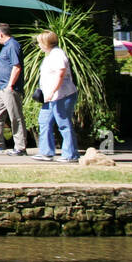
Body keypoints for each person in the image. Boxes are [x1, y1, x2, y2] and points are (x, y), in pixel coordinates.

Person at [32, 30, 78, 163]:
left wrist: (52, 92)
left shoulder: (58, 55)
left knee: (63, 123)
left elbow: (60, 74)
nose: (39, 45)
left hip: (62, 95)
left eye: (40, 42)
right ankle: (46, 152)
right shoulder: (50, 54)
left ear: (46, 42)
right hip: (50, 97)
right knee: (44, 121)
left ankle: (71, 154)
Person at [0, 22, 26, 154]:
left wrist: (10, 85)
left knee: (15, 117)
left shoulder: (12, 45)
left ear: (0, 34)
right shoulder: (7, 46)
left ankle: (20, 147)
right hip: (0, 88)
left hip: (9, 88)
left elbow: (16, 66)